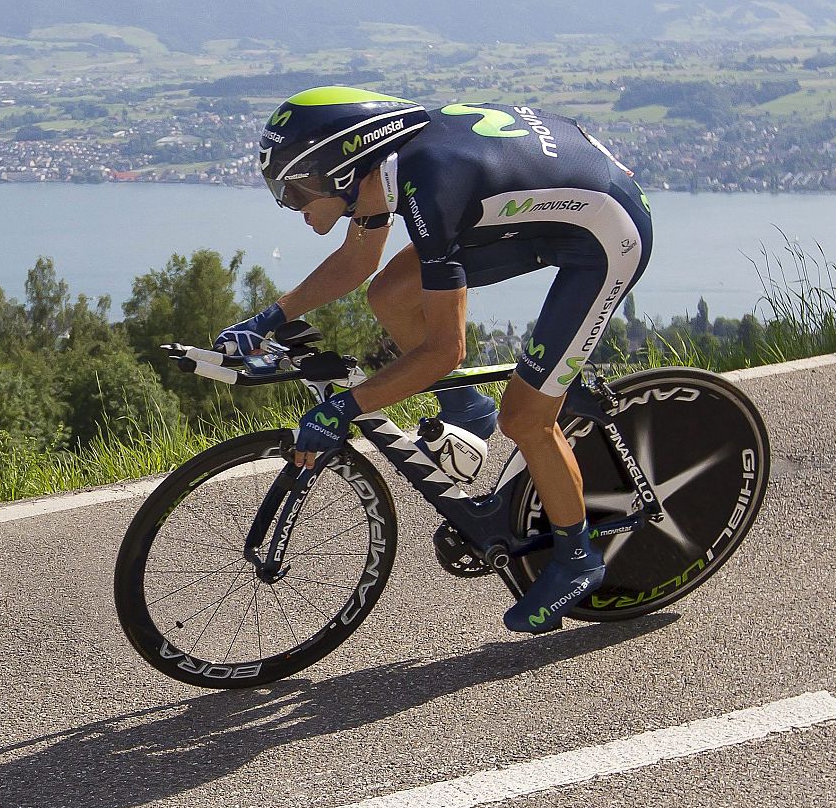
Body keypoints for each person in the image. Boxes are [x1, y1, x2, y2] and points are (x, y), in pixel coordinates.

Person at [218, 86, 652, 633]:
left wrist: (345, 408)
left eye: (297, 191)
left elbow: (447, 348)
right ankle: (468, 411)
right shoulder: (383, 171)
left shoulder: (432, 186)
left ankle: (576, 559)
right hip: (546, 208)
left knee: (525, 417)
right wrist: (268, 320)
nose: (292, 206)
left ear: (342, 170)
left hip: (607, 237)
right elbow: (359, 260)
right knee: (389, 294)